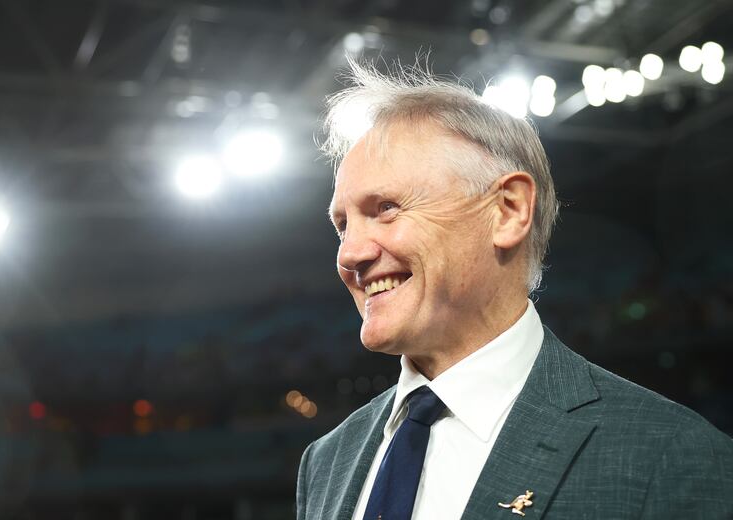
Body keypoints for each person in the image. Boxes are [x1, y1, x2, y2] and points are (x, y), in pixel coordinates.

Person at [295, 61, 733, 520]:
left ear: (507, 211)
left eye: (386, 208)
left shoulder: (671, 456)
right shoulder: (327, 461)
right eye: (342, 226)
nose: (350, 255)